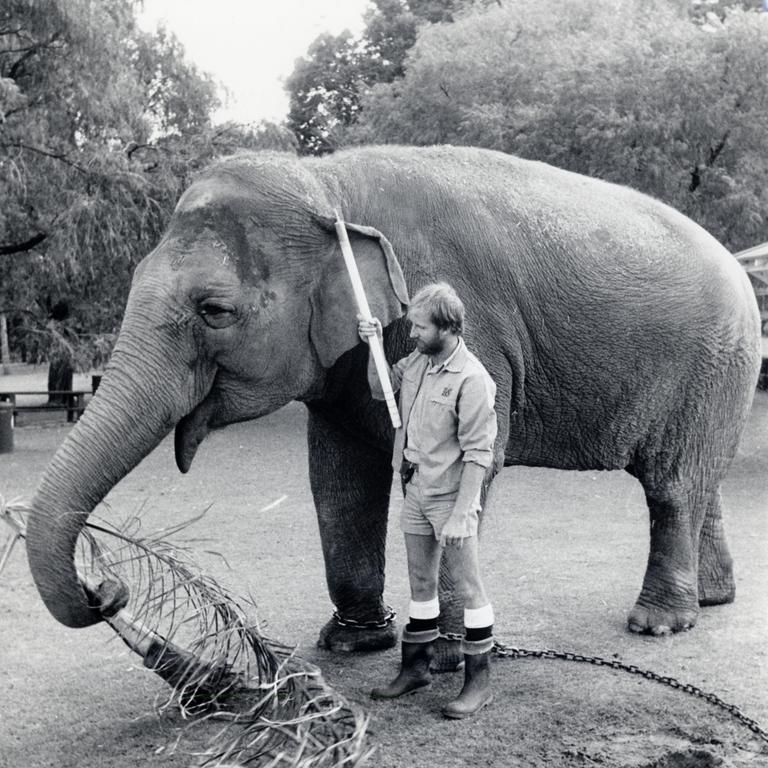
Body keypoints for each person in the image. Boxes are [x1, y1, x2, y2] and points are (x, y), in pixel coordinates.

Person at [357, 282, 498, 719]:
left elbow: (479, 455)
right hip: (415, 489)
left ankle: (479, 683)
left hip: (451, 497)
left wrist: (462, 513)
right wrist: (374, 345)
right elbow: (381, 390)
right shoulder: (419, 360)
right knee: (421, 584)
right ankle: (415, 669)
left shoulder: (473, 379)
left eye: (420, 327)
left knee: (469, 589)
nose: (413, 334)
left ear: (447, 328)